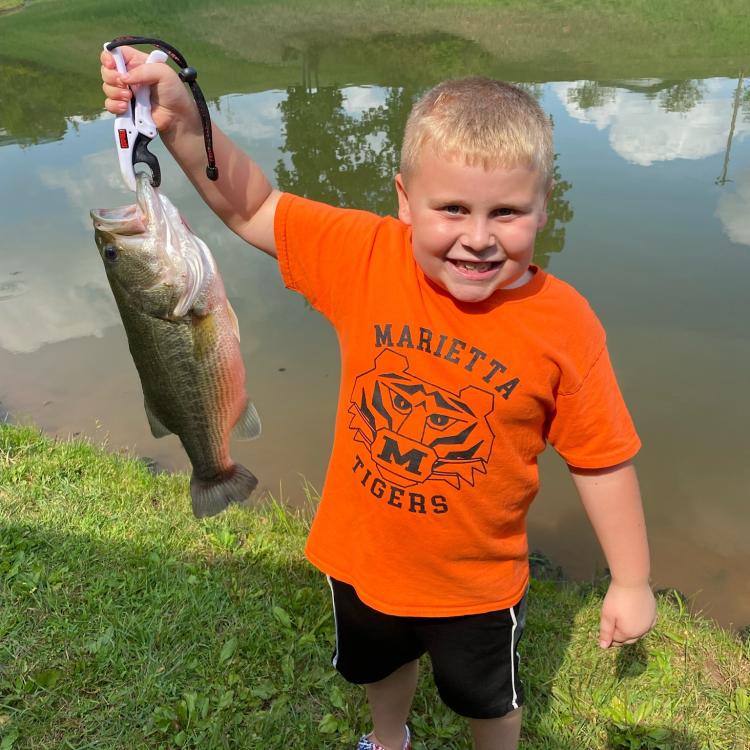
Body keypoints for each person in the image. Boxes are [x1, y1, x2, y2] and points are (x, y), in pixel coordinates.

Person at [101, 50, 657, 750]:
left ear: (545, 206)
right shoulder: (368, 257)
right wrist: (181, 120)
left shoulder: (565, 324)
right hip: (361, 558)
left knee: (486, 699)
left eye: (507, 213)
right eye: (451, 208)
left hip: (476, 587)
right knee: (378, 667)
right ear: (403, 198)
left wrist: (631, 580)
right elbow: (254, 206)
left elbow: (602, 458)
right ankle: (388, 739)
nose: (477, 237)